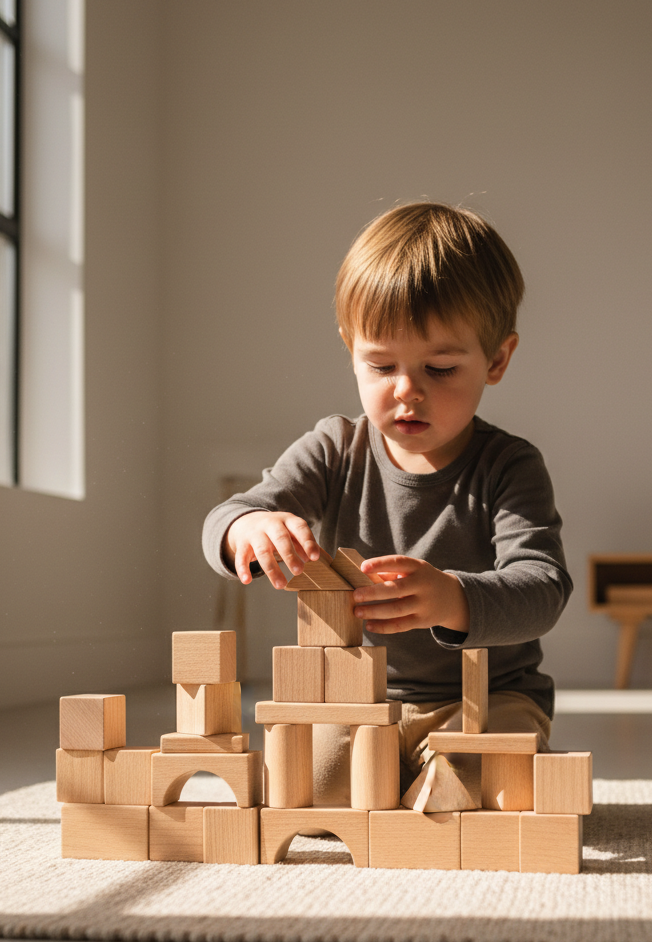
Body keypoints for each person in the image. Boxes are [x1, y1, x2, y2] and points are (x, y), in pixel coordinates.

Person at [202, 202, 571, 804]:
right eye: (380, 365)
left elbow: (543, 589)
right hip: (361, 701)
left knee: (493, 778)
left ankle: (443, 780)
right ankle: (403, 782)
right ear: (351, 351)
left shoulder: (511, 466)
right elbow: (228, 514)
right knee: (305, 789)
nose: (408, 391)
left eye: (441, 368)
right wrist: (246, 527)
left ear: (496, 360)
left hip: (487, 696)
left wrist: (456, 597)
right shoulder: (334, 448)